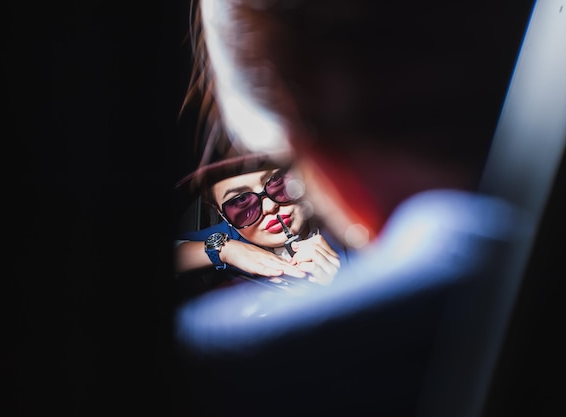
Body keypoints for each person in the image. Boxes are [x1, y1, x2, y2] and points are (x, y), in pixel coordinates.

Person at [173, 1, 537, 417]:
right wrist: (226, 250)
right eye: (241, 205)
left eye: (278, 185)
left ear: (315, 168)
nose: (269, 205)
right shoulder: (229, 252)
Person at [174, 136, 350, 299]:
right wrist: (226, 251)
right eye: (241, 200)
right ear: (221, 213)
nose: (270, 207)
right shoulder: (230, 237)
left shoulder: (346, 225)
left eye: (278, 181)